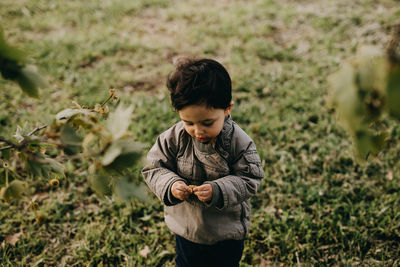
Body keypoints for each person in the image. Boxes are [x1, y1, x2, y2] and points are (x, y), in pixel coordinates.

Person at [142, 57, 264, 267]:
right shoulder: (172, 139)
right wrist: (171, 185)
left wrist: (218, 190)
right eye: (188, 122)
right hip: (188, 229)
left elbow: (250, 177)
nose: (198, 131)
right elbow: (154, 168)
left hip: (226, 232)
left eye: (207, 123)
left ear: (227, 109)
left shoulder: (238, 142)